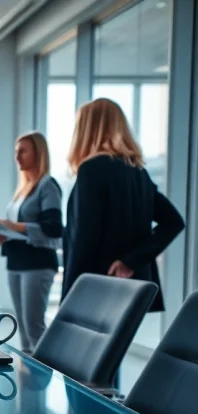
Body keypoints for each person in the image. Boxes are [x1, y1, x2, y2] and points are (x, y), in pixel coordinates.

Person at [62, 98, 184, 311]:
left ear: (86, 129)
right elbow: (174, 222)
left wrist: (69, 298)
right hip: (131, 288)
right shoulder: (138, 172)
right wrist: (131, 261)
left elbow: (84, 239)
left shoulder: (91, 170)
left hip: (96, 288)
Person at [0, 132, 63, 354]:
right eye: (16, 152)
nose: (17, 156)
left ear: (38, 153)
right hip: (16, 262)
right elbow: (18, 228)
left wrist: (15, 226)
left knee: (34, 327)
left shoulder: (47, 185)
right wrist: (3, 234)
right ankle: (28, 375)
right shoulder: (23, 189)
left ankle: (46, 374)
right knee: (23, 329)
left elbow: (53, 227)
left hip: (37, 264)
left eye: (23, 151)